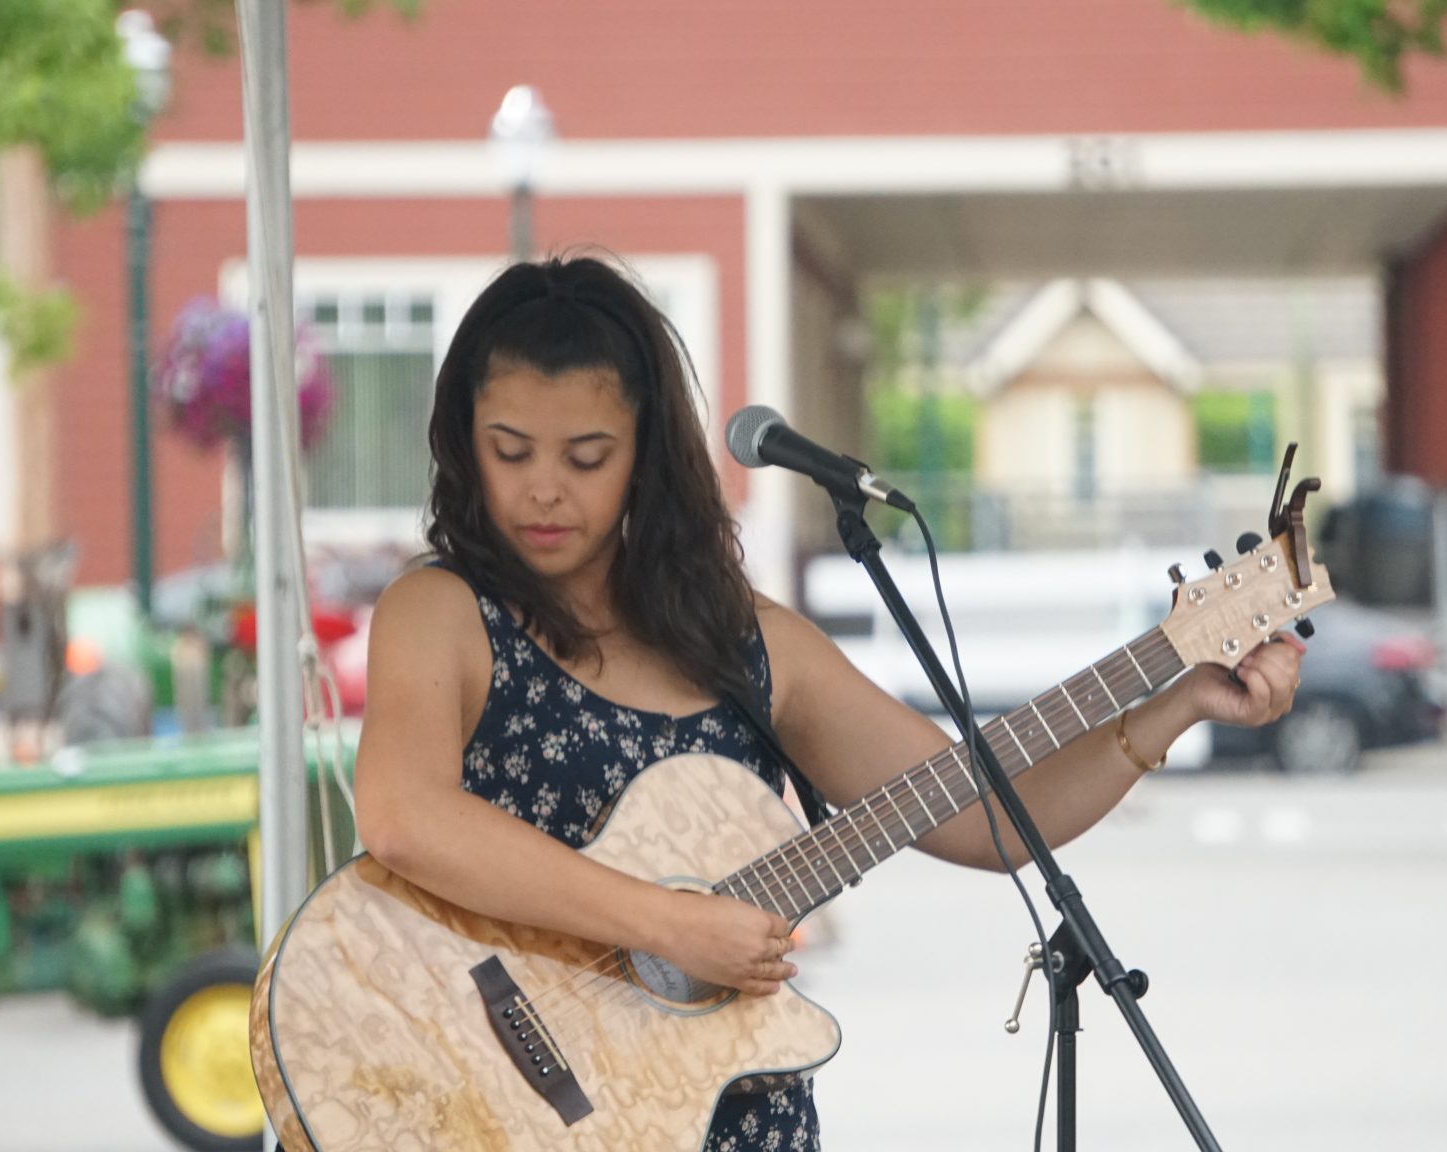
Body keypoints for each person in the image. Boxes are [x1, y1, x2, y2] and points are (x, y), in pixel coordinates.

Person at [352, 255, 1305, 1151]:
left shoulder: (746, 642)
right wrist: (665, 922)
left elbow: (990, 821)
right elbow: (403, 819)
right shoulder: (441, 613)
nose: (544, 489)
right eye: (509, 451)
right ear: (462, 445)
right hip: (511, 1110)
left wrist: (1177, 702)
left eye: (588, 457)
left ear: (644, 456)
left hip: (733, 1119)